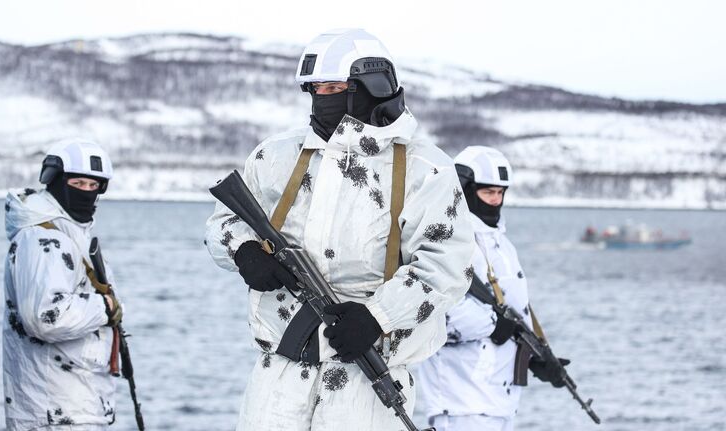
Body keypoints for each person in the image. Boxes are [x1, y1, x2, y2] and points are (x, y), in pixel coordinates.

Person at [205, 28, 475, 430]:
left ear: (371, 87)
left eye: (333, 87)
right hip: (278, 372)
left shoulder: (425, 170)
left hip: (368, 374)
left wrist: (377, 316)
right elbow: (223, 222)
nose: (322, 99)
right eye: (315, 89)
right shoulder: (276, 155)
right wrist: (243, 252)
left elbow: (448, 267)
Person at [417, 146, 570, 431]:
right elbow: (432, 312)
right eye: (488, 193)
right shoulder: (444, 238)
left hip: (500, 401)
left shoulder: (502, 245)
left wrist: (534, 360)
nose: (495, 201)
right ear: (465, 189)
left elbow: (513, 314)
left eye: (500, 193)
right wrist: (491, 324)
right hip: (461, 401)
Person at [3, 138, 122, 430]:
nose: (86, 192)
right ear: (54, 180)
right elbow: (44, 317)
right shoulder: (44, 238)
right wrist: (104, 307)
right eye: (78, 183)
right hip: (53, 408)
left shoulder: (69, 233)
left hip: (73, 401)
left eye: (93, 186)